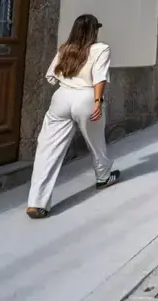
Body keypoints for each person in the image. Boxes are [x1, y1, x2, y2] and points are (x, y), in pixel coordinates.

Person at [26, 14, 119, 218]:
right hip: (86, 97)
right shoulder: (101, 48)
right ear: (93, 31)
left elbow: (51, 77)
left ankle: (36, 202)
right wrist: (97, 101)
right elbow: (100, 77)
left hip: (61, 98)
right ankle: (103, 176)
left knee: (47, 149)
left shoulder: (65, 49)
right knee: (96, 143)